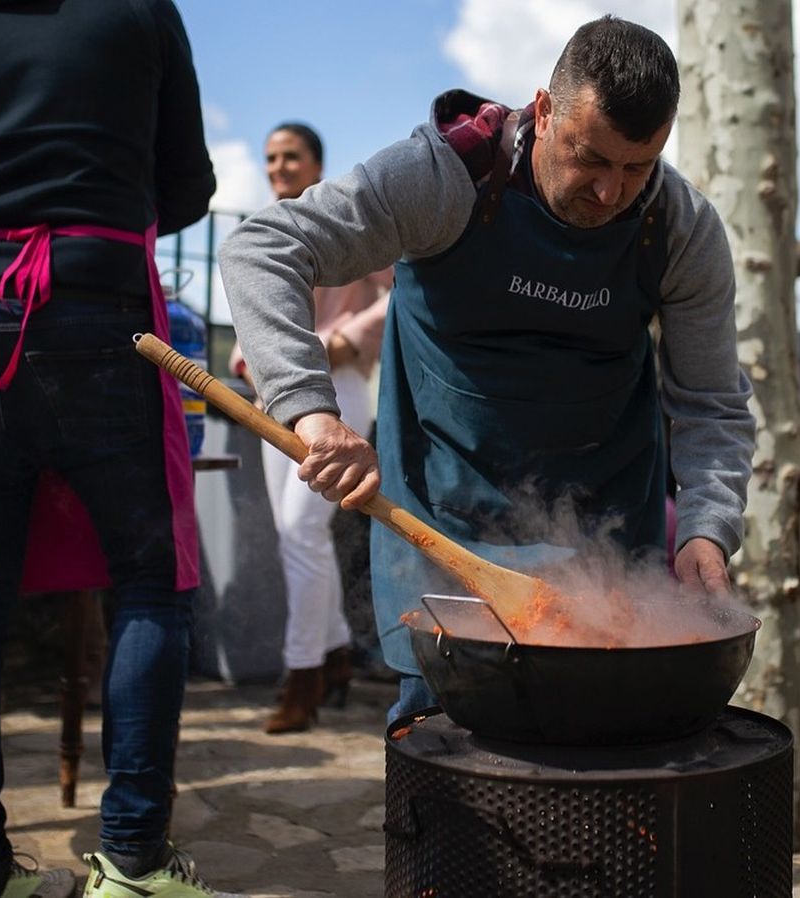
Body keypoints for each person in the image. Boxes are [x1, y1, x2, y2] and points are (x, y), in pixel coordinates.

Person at [220, 15, 756, 723]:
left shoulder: (679, 227)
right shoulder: (445, 176)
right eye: (590, 158)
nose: (609, 192)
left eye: (637, 167)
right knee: (447, 748)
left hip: (608, 537)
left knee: (607, 746)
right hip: (443, 524)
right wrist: (314, 413)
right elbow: (261, 250)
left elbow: (712, 402)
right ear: (543, 110)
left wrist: (706, 530)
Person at [0, 2, 224, 896]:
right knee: (151, 581)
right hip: (100, 308)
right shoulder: (139, 12)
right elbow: (189, 190)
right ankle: (133, 867)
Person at [238, 122, 392, 733]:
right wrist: (245, 355)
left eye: (291, 156)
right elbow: (252, 312)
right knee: (295, 533)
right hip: (271, 395)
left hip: (337, 392)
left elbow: (401, 290)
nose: (279, 166)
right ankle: (332, 659)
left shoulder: (342, 219)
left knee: (302, 531)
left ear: (317, 164)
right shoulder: (257, 228)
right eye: (271, 156)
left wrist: (344, 339)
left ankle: (300, 676)